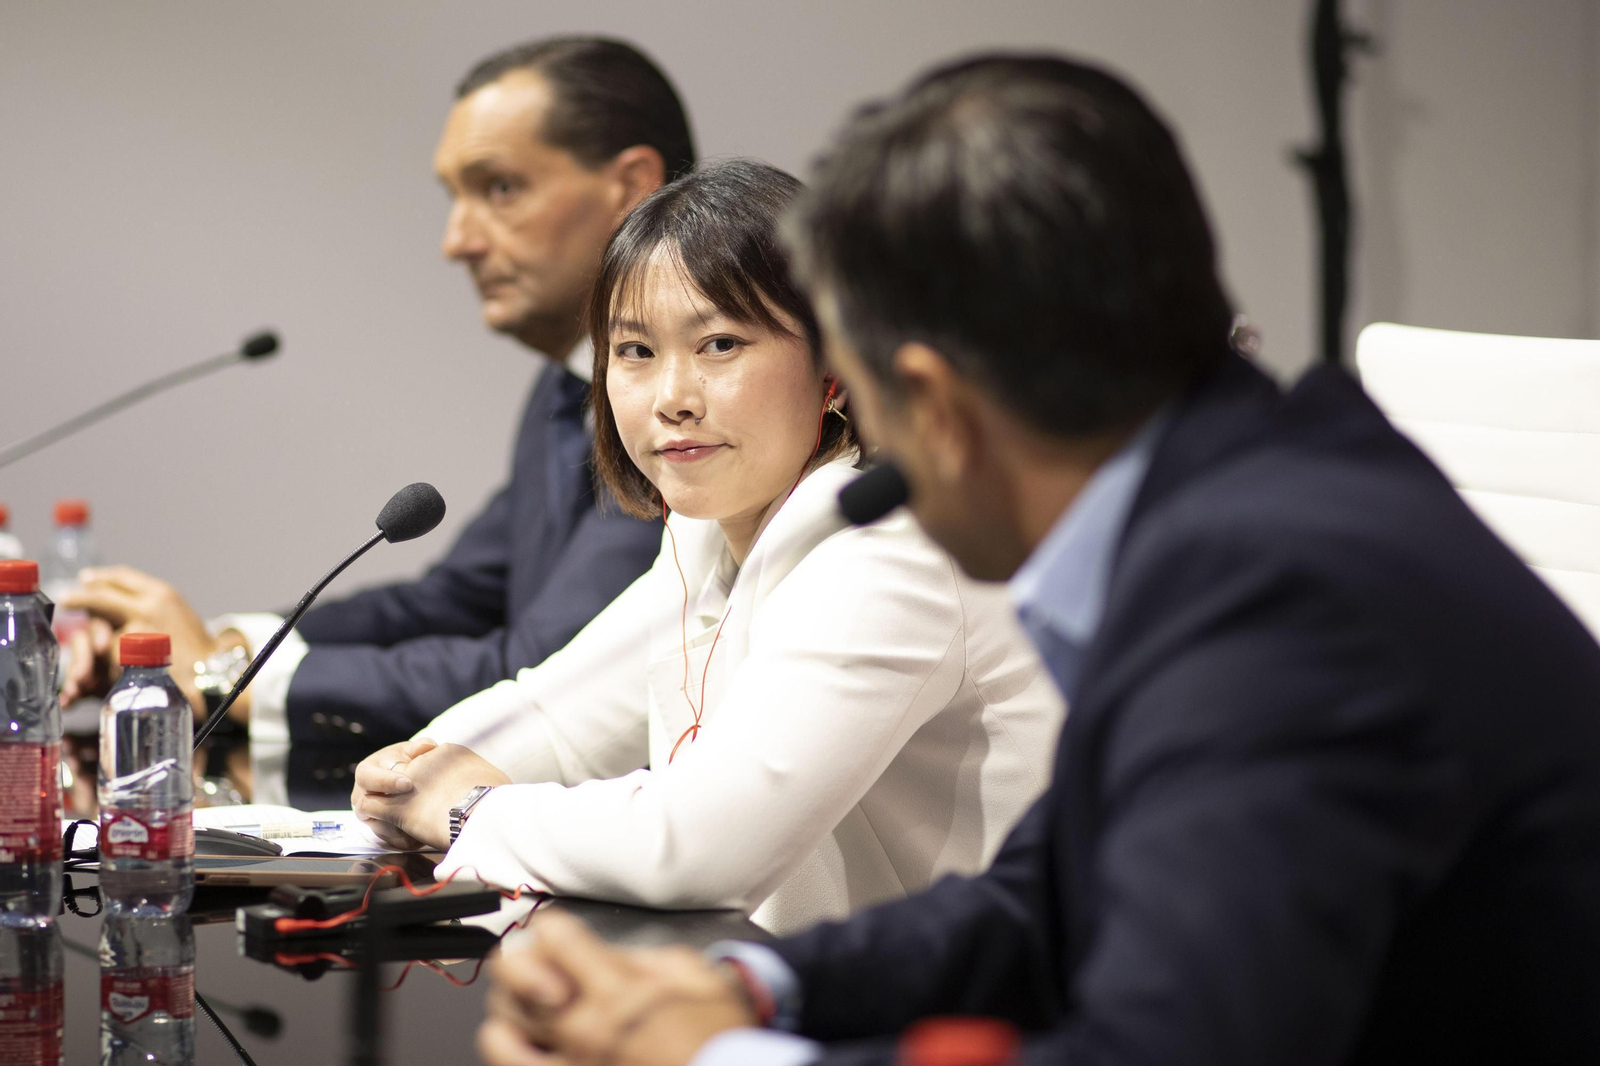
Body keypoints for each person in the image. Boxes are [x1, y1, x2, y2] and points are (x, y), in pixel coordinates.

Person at [473, 54, 1600, 1066]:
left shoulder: (1272, 602)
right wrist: (751, 988)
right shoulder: (1249, 488)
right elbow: (1041, 899)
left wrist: (719, 1059)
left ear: (933, 404)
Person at [349, 159, 1064, 936]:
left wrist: (467, 810)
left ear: (835, 367)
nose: (672, 399)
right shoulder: (707, 535)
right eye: (634, 351)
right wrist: (414, 770)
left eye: (720, 344)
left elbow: (698, 847)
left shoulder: (892, 550)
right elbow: (559, 720)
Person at [58, 38, 685, 772]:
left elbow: (542, 667)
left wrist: (225, 677)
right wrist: (219, 648)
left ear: (631, 187)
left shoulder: (683, 416)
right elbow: (448, 602)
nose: (457, 241)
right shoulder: (563, 389)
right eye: (454, 197)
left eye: (500, 188)